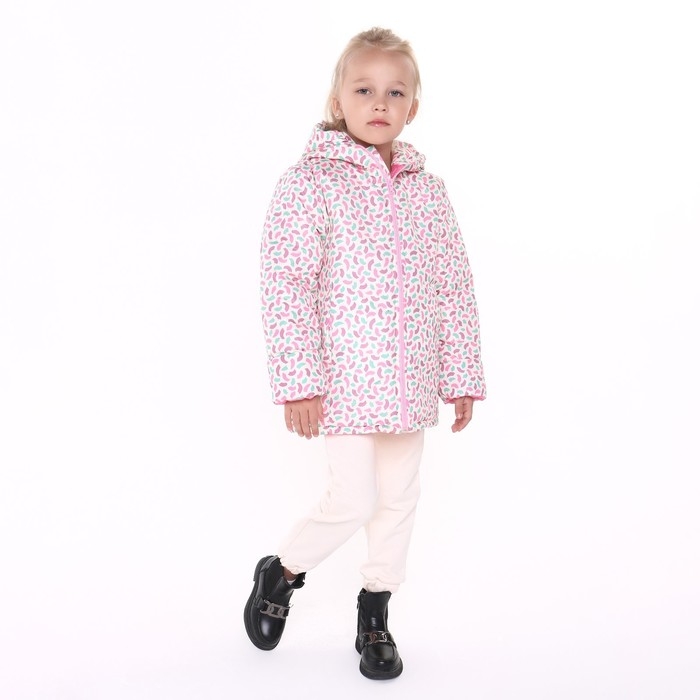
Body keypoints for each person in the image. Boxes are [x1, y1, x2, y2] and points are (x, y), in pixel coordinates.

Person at [244, 26, 486, 681]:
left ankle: (375, 610)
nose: (380, 102)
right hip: (344, 381)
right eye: (364, 89)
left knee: (399, 498)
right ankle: (283, 570)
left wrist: (461, 375)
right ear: (338, 100)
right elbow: (287, 281)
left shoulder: (427, 192)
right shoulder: (310, 183)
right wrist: (299, 381)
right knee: (353, 498)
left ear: (413, 107)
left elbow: (453, 284)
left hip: (411, 380)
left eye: (395, 92)